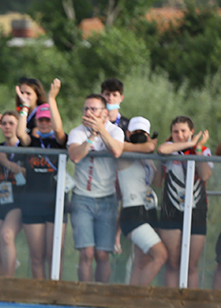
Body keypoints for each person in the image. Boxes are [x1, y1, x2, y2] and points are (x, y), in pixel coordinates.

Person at [67, 94, 125, 282]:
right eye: (86, 109)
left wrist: (101, 130)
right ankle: (84, 295)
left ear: (104, 113)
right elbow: (75, 156)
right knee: (87, 253)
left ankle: (101, 295)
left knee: (102, 254)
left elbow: (116, 150)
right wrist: (92, 136)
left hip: (107, 198)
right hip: (82, 198)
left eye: (93, 109)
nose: (88, 112)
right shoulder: (77, 132)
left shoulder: (115, 131)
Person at [16, 79, 68, 279]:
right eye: (41, 120)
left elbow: (59, 131)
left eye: (48, 120)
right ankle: (39, 293)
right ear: (36, 122)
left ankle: (55, 293)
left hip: (56, 201)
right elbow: (20, 133)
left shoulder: (59, 141)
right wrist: (25, 107)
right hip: (32, 200)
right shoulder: (32, 141)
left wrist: (52, 99)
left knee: (54, 256)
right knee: (37, 257)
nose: (45, 123)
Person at [156, 116, 212, 288]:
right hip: (171, 209)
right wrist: (189, 143)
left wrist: (197, 148)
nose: (179, 135)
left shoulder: (203, 150)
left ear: (191, 132)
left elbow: (205, 175)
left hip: (197, 209)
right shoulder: (169, 149)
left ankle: (191, 303)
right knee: (172, 264)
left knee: (191, 266)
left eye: (183, 131)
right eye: (175, 132)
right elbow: (161, 150)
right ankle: (170, 302)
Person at [117, 116, 167, 287]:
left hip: (149, 210)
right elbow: (148, 147)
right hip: (133, 212)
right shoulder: (123, 151)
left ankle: (131, 298)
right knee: (160, 255)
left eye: (143, 133)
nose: (139, 136)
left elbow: (157, 182)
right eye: (135, 132)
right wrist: (150, 145)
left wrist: (162, 159)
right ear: (128, 134)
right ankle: (140, 296)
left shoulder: (147, 158)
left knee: (141, 261)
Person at [0, 111, 26, 277]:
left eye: (11, 123)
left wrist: (6, 162)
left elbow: (26, 174)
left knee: (6, 236)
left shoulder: (25, 148)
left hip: (18, 202)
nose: (7, 127)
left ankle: (9, 282)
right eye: (4, 123)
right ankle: (0, 285)